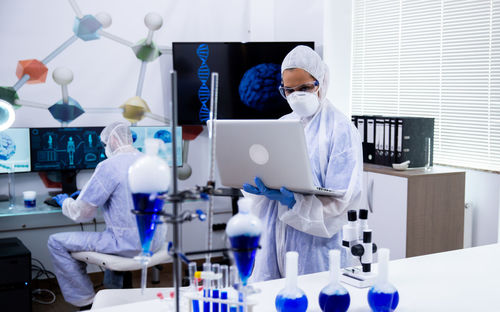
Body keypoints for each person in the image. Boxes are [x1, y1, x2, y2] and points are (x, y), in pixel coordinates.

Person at [242, 45, 363, 282]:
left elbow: (342, 200)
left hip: (317, 249)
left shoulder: (340, 129)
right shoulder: (282, 124)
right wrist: (257, 191)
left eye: (305, 88)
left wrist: (295, 203)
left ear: (321, 83)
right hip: (274, 239)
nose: (297, 95)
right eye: (289, 90)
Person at [47, 122, 166, 309]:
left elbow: (83, 213)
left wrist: (65, 202)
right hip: (156, 240)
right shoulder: (152, 161)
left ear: (112, 139)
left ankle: (86, 301)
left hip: (129, 244)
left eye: (104, 144)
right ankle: (117, 295)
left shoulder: (109, 166)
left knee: (56, 242)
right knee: (110, 234)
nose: (105, 148)